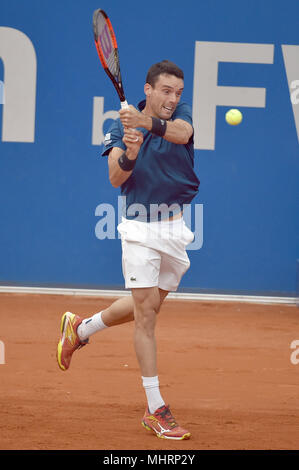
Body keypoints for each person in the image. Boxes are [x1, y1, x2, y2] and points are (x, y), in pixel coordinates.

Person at [56, 60, 200, 440]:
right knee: (146, 316)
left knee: (149, 303)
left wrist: (143, 124)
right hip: (138, 227)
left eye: (177, 92)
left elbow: (182, 134)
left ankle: (81, 328)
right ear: (148, 90)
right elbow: (116, 177)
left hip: (176, 228)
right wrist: (131, 150)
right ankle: (156, 409)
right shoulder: (115, 125)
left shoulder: (178, 115)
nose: (173, 99)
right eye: (166, 91)